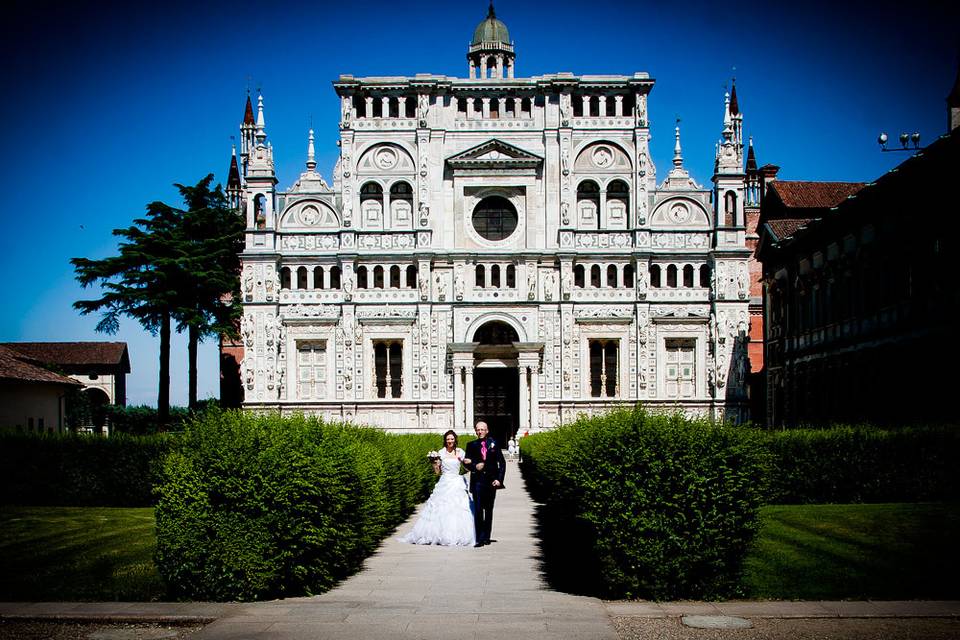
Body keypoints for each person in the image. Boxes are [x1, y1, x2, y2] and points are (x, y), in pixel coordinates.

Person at [399, 430, 475, 546]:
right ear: (445, 440)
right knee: (440, 508)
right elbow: (437, 472)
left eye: (452, 439)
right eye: (448, 439)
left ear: (455, 440)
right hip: (444, 482)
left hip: (457, 481)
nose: (450, 441)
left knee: (459, 509)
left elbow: (467, 469)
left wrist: (464, 462)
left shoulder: (460, 452)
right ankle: (438, 534)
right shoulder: (440, 452)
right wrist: (434, 464)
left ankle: (457, 534)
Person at [462, 421, 506, 547]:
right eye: (478, 429)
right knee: (478, 509)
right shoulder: (471, 445)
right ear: (475, 431)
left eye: (482, 429)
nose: (480, 431)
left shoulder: (494, 443)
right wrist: (475, 465)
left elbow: (502, 463)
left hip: (491, 481)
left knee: (489, 510)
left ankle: (487, 536)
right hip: (477, 482)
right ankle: (480, 539)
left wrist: (499, 479)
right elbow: (467, 463)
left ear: (487, 430)